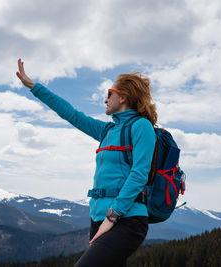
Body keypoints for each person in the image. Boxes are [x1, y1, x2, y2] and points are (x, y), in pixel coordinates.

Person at [16, 58, 157, 267]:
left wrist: (113, 216)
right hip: (99, 220)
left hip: (126, 220)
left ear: (123, 97)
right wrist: (34, 87)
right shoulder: (106, 131)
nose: (105, 100)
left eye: (109, 93)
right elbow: (71, 114)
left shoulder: (141, 127)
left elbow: (139, 174)